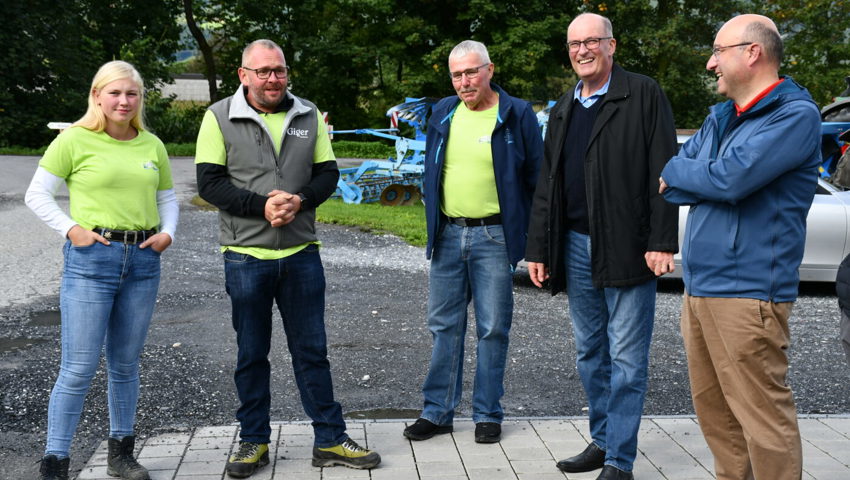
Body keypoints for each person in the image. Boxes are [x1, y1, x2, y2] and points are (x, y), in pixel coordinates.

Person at [194, 39, 380, 478]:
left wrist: (299, 200)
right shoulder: (218, 116)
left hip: (301, 254)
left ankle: (330, 439)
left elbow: (328, 172)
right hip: (245, 257)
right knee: (251, 354)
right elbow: (209, 182)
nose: (272, 79)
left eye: (278, 70)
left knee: (312, 352)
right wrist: (262, 206)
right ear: (244, 75)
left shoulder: (308, 113)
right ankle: (253, 442)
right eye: (263, 71)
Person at [659, 14, 821, 480]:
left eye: (718, 51)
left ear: (753, 53)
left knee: (762, 418)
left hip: (749, 292)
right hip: (702, 284)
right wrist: (702, 173)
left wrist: (702, 174)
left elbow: (729, 179)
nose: (711, 63)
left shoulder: (794, 116)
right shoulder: (722, 115)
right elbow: (673, 180)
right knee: (716, 415)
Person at [525, 13, 678, 480]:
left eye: (592, 41)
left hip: (629, 245)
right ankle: (603, 438)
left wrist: (661, 239)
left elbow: (667, 170)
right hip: (573, 246)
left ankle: (619, 461)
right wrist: (538, 248)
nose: (582, 50)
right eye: (574, 43)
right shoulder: (564, 105)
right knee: (590, 353)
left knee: (627, 359)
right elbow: (548, 183)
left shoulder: (642, 93)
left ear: (612, 45)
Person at [25, 60, 178, 480]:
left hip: (144, 261)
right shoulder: (74, 140)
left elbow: (167, 197)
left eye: (132, 94)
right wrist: (71, 228)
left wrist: (168, 234)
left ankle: (121, 455)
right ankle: (55, 463)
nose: (124, 101)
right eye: (115, 93)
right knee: (78, 366)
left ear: (140, 99)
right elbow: (37, 194)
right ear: (97, 95)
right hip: (92, 261)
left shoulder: (151, 144)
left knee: (125, 364)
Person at [402, 40, 542, 444]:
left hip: (494, 236)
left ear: (489, 70)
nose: (464, 82)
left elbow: (537, 179)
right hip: (447, 234)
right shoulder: (444, 112)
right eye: (457, 75)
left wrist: (535, 243)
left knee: (493, 328)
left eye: (471, 72)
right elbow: (433, 169)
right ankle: (438, 412)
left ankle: (487, 414)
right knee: (444, 326)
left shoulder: (516, 115)